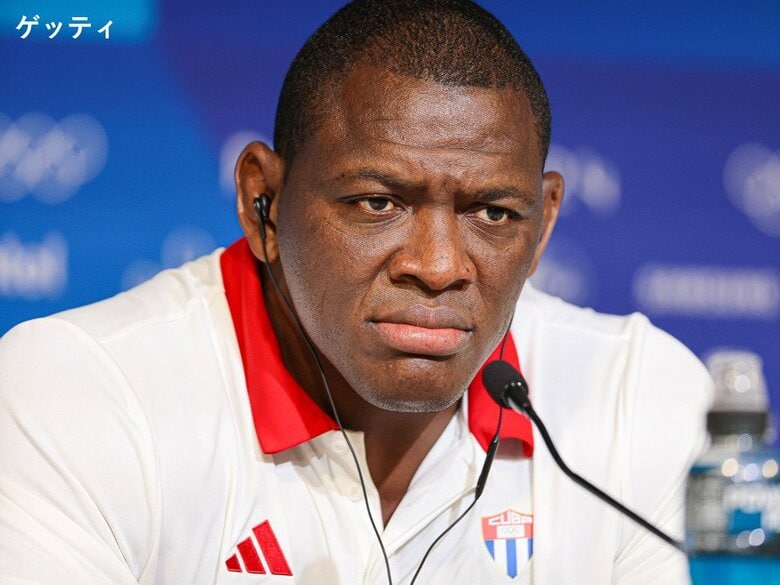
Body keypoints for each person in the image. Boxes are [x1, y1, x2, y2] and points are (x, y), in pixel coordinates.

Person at [0, 1, 712, 583]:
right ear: (263, 203)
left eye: (493, 213)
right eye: (378, 203)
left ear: (544, 222)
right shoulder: (85, 391)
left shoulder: (636, 396)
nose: (438, 266)